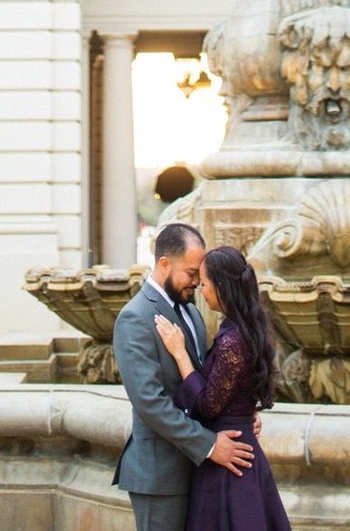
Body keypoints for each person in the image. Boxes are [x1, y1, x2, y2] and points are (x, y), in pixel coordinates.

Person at [113, 222, 255, 531]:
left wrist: (240, 413)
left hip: (200, 470)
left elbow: (204, 384)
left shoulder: (191, 313)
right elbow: (150, 402)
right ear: (164, 263)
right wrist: (207, 444)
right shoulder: (134, 318)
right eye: (191, 273)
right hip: (160, 476)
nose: (197, 283)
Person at [154, 243, 290, 531]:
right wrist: (246, 412)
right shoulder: (243, 329)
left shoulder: (231, 340)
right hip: (237, 448)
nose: (201, 290)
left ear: (221, 286)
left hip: (229, 458)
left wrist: (180, 354)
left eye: (205, 283)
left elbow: (207, 406)